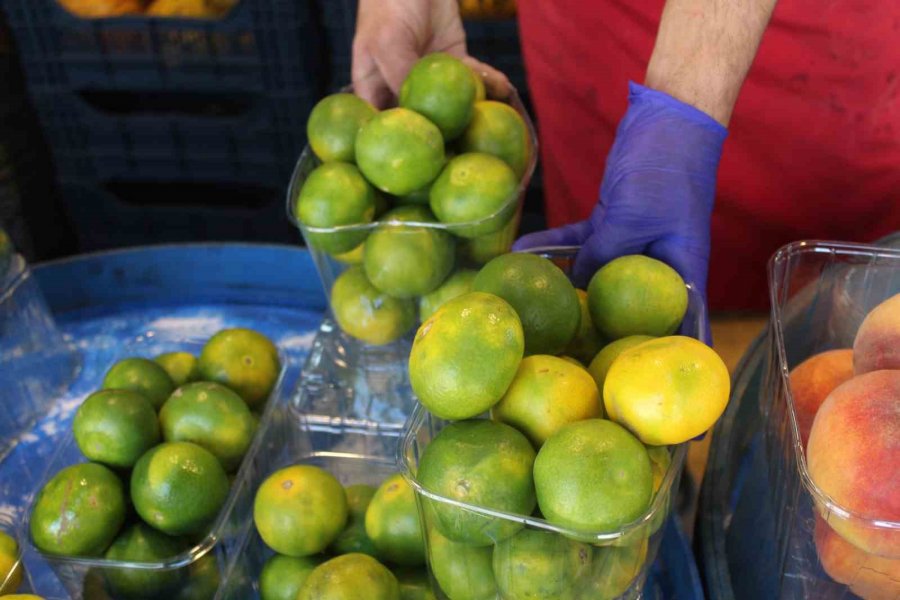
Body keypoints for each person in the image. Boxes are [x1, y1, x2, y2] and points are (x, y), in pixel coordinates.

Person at [351, 0, 900, 311]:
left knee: (830, 321)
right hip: (585, 28)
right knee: (613, 269)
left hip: (807, 47)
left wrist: (683, 108)